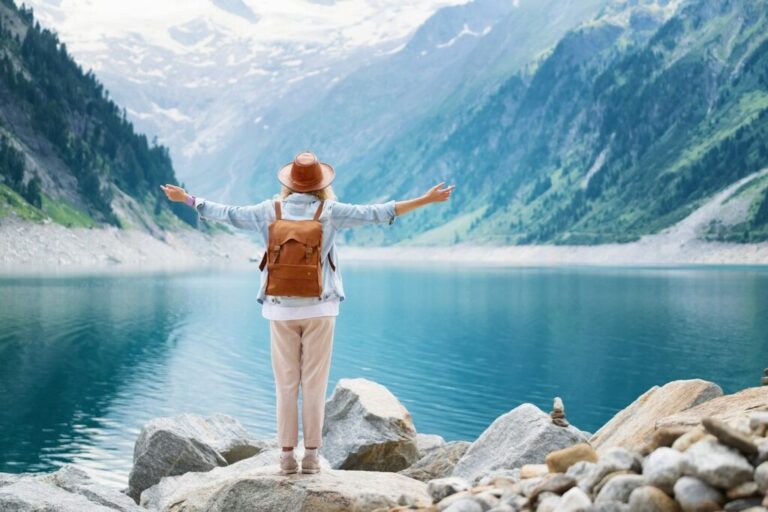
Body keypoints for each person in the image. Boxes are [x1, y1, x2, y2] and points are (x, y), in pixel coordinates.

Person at [161, 150, 454, 475]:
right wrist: (425, 200)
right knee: (314, 384)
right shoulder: (329, 211)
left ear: (288, 183)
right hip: (321, 308)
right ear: (320, 184)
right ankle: (312, 457)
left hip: (280, 309)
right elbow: (377, 212)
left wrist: (187, 199)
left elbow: (227, 213)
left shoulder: (268, 211)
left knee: (286, 385)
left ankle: (286, 458)